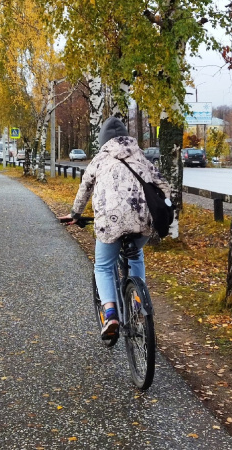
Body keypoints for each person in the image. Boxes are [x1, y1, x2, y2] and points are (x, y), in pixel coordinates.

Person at [59, 117, 171, 340]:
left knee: (102, 266)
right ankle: (138, 304)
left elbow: (85, 188)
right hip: (142, 221)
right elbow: (164, 185)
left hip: (110, 223)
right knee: (136, 254)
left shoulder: (99, 159)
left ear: (103, 140)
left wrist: (75, 214)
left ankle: (111, 315)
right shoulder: (141, 156)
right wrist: (168, 212)